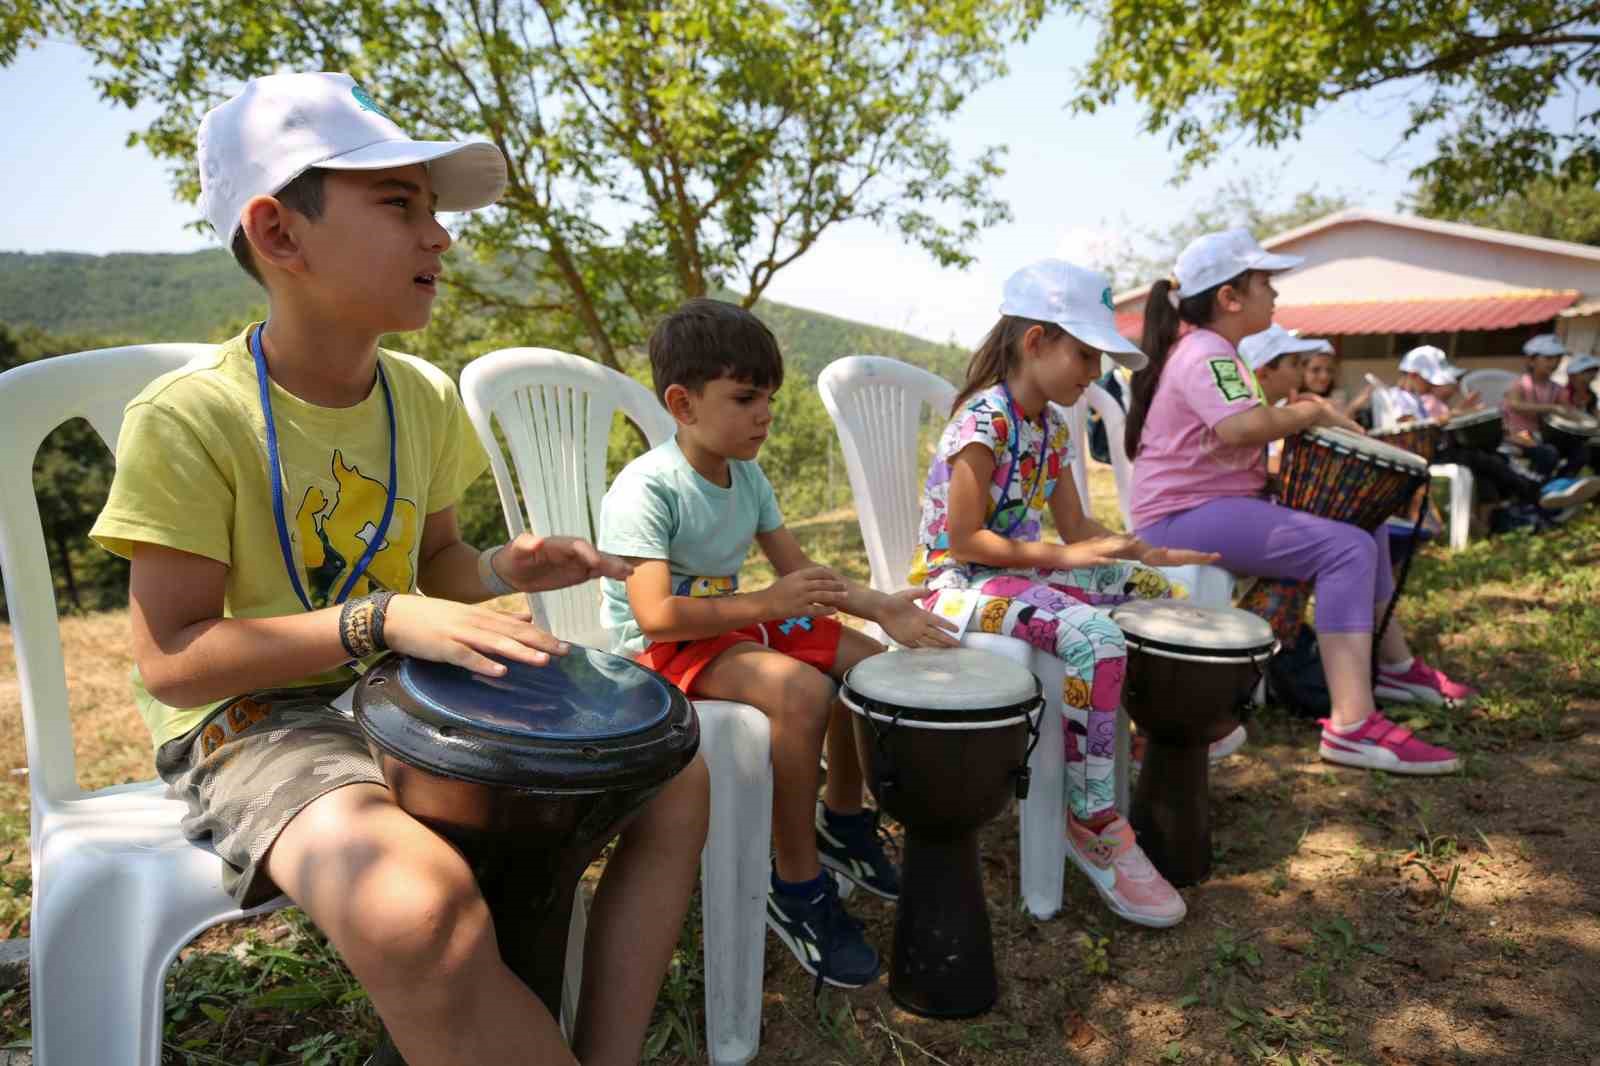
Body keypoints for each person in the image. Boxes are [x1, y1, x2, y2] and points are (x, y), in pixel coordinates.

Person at [89, 73, 710, 1066]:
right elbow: (172, 660)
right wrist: (379, 621)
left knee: (671, 773)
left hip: (405, 688)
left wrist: (504, 564)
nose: (441, 237)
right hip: (255, 718)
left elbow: (438, 566)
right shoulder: (191, 418)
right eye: (399, 205)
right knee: (422, 909)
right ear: (280, 233)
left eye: (434, 208)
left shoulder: (417, 394)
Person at [597, 298, 959, 989]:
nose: (765, 413)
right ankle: (795, 885)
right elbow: (653, 615)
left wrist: (880, 606)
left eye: (770, 397)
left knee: (867, 665)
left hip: (725, 624)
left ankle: (844, 821)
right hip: (652, 650)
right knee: (800, 689)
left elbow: (802, 577)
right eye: (744, 397)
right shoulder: (649, 487)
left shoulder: (748, 477)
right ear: (683, 402)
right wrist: (766, 605)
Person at [907, 259, 1220, 929]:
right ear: (1036, 341)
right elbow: (963, 540)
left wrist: (1144, 554)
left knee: (1147, 590)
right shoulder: (983, 421)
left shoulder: (1049, 428)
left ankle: (1132, 735)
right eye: (1084, 353)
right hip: (955, 586)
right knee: (1094, 636)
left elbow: (1078, 527)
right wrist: (1067, 558)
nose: (1092, 371)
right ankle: (1093, 820)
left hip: (1019, 574)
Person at [1125, 228, 1470, 776]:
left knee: (1364, 519)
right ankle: (1353, 725)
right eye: (1265, 282)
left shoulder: (1214, 350)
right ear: (1229, 297)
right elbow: (1242, 427)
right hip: (1179, 521)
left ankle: (1394, 665)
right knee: (1346, 548)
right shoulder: (1206, 353)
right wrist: (1310, 411)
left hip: (1209, 509)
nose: (1276, 294)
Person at [1504, 333, 1590, 479]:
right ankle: (1533, 488)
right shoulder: (1520, 384)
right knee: (1549, 453)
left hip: (1544, 437)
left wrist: (1583, 418)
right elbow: (1514, 405)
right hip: (1519, 435)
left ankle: (1559, 485)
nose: (1554, 363)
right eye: (1548, 358)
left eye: (1558, 359)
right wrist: (1551, 408)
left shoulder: (1557, 388)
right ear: (1531, 361)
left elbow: (1567, 410)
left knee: (1581, 451)